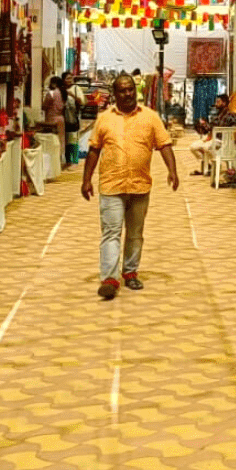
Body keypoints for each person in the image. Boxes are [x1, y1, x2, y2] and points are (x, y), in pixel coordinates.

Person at [81, 73, 179, 300]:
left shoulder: (150, 117)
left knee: (135, 234)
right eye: (122, 90)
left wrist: (172, 171)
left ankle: (131, 272)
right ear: (115, 94)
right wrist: (86, 179)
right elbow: (94, 149)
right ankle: (109, 278)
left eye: (130, 90)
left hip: (139, 186)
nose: (127, 94)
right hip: (111, 185)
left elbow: (164, 145)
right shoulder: (104, 119)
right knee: (111, 232)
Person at [187, 93, 236, 174]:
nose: (216, 104)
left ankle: (215, 165)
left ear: (224, 103)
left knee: (206, 147)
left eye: (218, 102)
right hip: (213, 139)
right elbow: (210, 128)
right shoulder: (217, 116)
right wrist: (203, 124)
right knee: (193, 147)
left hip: (223, 141)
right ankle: (207, 165)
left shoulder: (231, 115)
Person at [42, 76, 67, 170]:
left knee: (52, 141)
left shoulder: (51, 93)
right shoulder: (63, 93)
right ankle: (60, 161)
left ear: (53, 83)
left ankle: (53, 165)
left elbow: (44, 106)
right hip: (61, 118)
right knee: (61, 140)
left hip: (51, 119)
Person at [62, 72, 84, 165]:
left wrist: (71, 94)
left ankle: (75, 160)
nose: (69, 80)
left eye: (71, 78)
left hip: (73, 118)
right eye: (67, 78)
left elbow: (81, 101)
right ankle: (67, 160)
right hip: (63, 118)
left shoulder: (76, 89)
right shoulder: (61, 89)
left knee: (73, 138)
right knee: (65, 139)